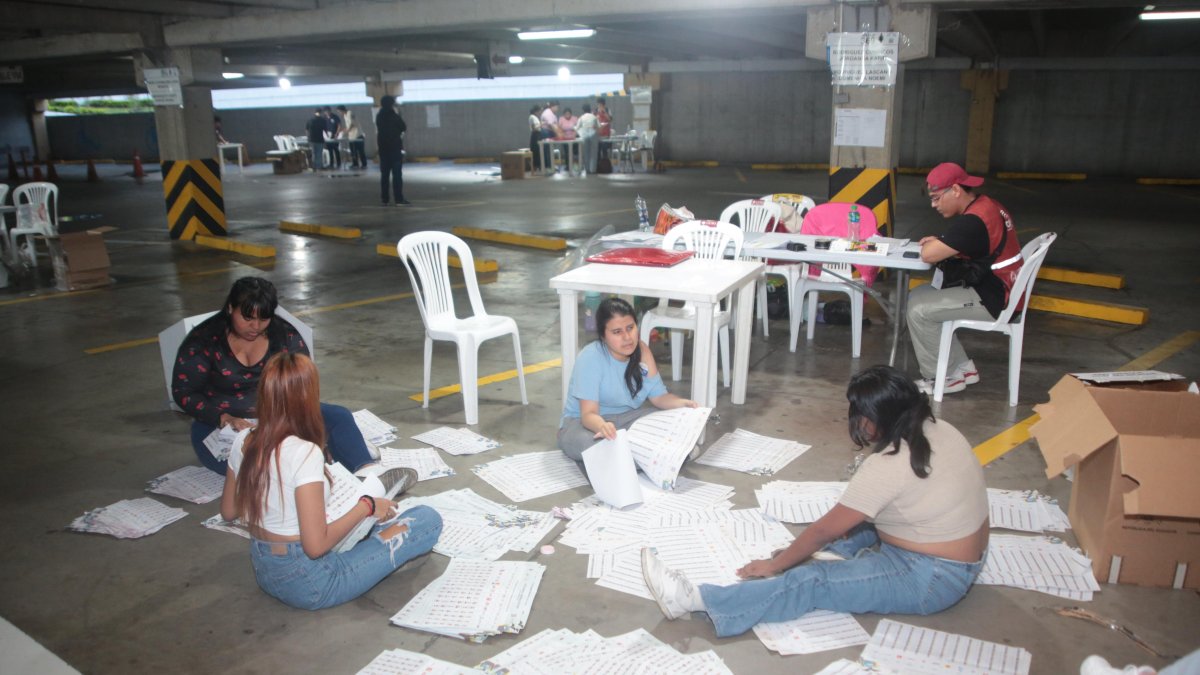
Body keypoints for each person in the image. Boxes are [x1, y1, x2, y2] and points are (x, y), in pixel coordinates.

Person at [641, 365, 989, 638]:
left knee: (812, 581)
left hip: (931, 577)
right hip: (958, 558)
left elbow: (823, 530)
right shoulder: (937, 426)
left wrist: (778, 564)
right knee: (861, 525)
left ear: (875, 417)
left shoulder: (887, 466)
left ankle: (694, 599)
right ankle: (831, 558)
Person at [219, 352, 442, 611]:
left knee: (362, 526)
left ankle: (370, 536)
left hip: (264, 569)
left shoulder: (244, 438)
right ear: (308, 398)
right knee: (426, 520)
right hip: (313, 581)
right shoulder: (303, 452)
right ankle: (377, 539)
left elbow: (228, 511)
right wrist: (366, 506)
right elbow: (315, 547)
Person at [173, 277, 379, 477]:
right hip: (220, 425)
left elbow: (303, 384)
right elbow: (184, 392)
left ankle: (364, 470)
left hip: (281, 416)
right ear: (230, 308)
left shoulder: (284, 336)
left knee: (339, 416)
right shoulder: (204, 340)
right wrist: (224, 418)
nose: (255, 327)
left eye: (263, 319)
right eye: (247, 318)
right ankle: (323, 453)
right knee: (253, 465)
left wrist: (283, 422)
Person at [907, 162, 1024, 395]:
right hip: (1001, 287)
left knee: (919, 311)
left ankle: (943, 378)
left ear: (956, 190)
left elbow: (928, 255)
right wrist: (943, 242)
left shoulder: (973, 221)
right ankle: (962, 367)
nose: (933, 205)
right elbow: (968, 242)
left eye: (936, 198)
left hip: (994, 297)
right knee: (920, 293)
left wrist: (937, 244)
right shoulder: (987, 205)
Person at [557, 297, 697, 461]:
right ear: (603, 336)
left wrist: (683, 405)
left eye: (630, 328)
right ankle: (657, 456)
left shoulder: (642, 351)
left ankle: (638, 456)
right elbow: (588, 414)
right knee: (591, 446)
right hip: (584, 424)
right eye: (617, 332)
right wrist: (602, 426)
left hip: (627, 419)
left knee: (674, 421)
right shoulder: (590, 357)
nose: (627, 337)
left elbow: (659, 397)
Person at [376, 95, 409, 205]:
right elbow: (403, 127)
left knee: (384, 175)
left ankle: (384, 199)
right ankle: (398, 198)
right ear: (391, 104)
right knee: (397, 175)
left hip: (383, 149)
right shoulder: (394, 116)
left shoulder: (379, 116)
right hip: (394, 148)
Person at [339, 105, 366, 169]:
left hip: (358, 135)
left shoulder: (350, 113)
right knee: (353, 151)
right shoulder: (345, 116)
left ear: (342, 110)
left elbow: (352, 124)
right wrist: (343, 130)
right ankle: (355, 163)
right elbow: (348, 126)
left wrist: (347, 130)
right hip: (351, 136)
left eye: (339, 111)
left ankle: (364, 164)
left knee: (360, 151)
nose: (340, 113)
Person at [576, 104, 599, 175]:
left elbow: (577, 128)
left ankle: (587, 169)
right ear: (590, 109)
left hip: (584, 135)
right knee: (593, 153)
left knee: (586, 152)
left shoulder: (581, 117)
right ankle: (593, 170)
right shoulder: (594, 117)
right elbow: (598, 126)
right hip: (593, 135)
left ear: (583, 110)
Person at [539, 100, 560, 172]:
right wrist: (558, 133)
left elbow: (555, 125)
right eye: (557, 107)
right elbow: (551, 125)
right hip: (546, 133)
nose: (557, 109)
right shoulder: (548, 113)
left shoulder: (552, 113)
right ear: (552, 106)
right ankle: (548, 167)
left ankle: (551, 166)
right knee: (547, 150)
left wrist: (558, 132)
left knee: (550, 150)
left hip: (550, 132)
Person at [528, 104, 543, 172]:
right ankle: (535, 167)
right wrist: (541, 124)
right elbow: (534, 128)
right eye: (540, 111)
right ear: (536, 111)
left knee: (538, 151)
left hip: (537, 134)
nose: (540, 113)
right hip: (535, 135)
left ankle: (538, 166)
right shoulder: (532, 117)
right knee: (536, 151)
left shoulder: (535, 117)